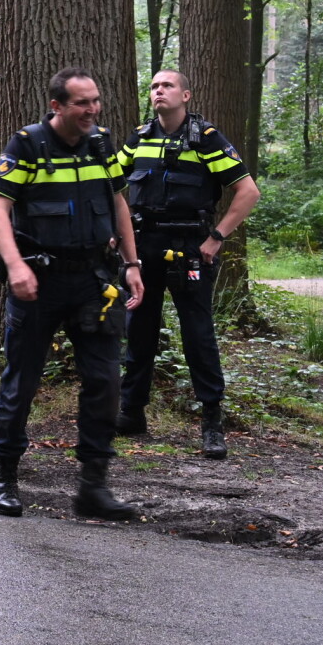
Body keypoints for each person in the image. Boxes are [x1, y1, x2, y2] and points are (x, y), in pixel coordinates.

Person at [0, 67, 145, 521]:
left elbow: (118, 204)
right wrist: (15, 266)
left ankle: (93, 486)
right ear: (57, 106)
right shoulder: (27, 144)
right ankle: (5, 478)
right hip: (40, 281)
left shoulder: (100, 143)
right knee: (23, 381)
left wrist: (132, 265)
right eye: (82, 103)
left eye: (95, 101)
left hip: (94, 280)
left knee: (105, 381)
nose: (92, 110)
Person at [117, 70, 261, 458]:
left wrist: (216, 239)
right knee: (139, 329)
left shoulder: (207, 139)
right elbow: (110, 184)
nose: (158, 91)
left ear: (186, 94)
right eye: (153, 86)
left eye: (166, 86)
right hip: (144, 246)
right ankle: (131, 413)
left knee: (198, 335)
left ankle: (212, 423)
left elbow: (248, 192)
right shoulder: (140, 137)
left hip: (190, 248)